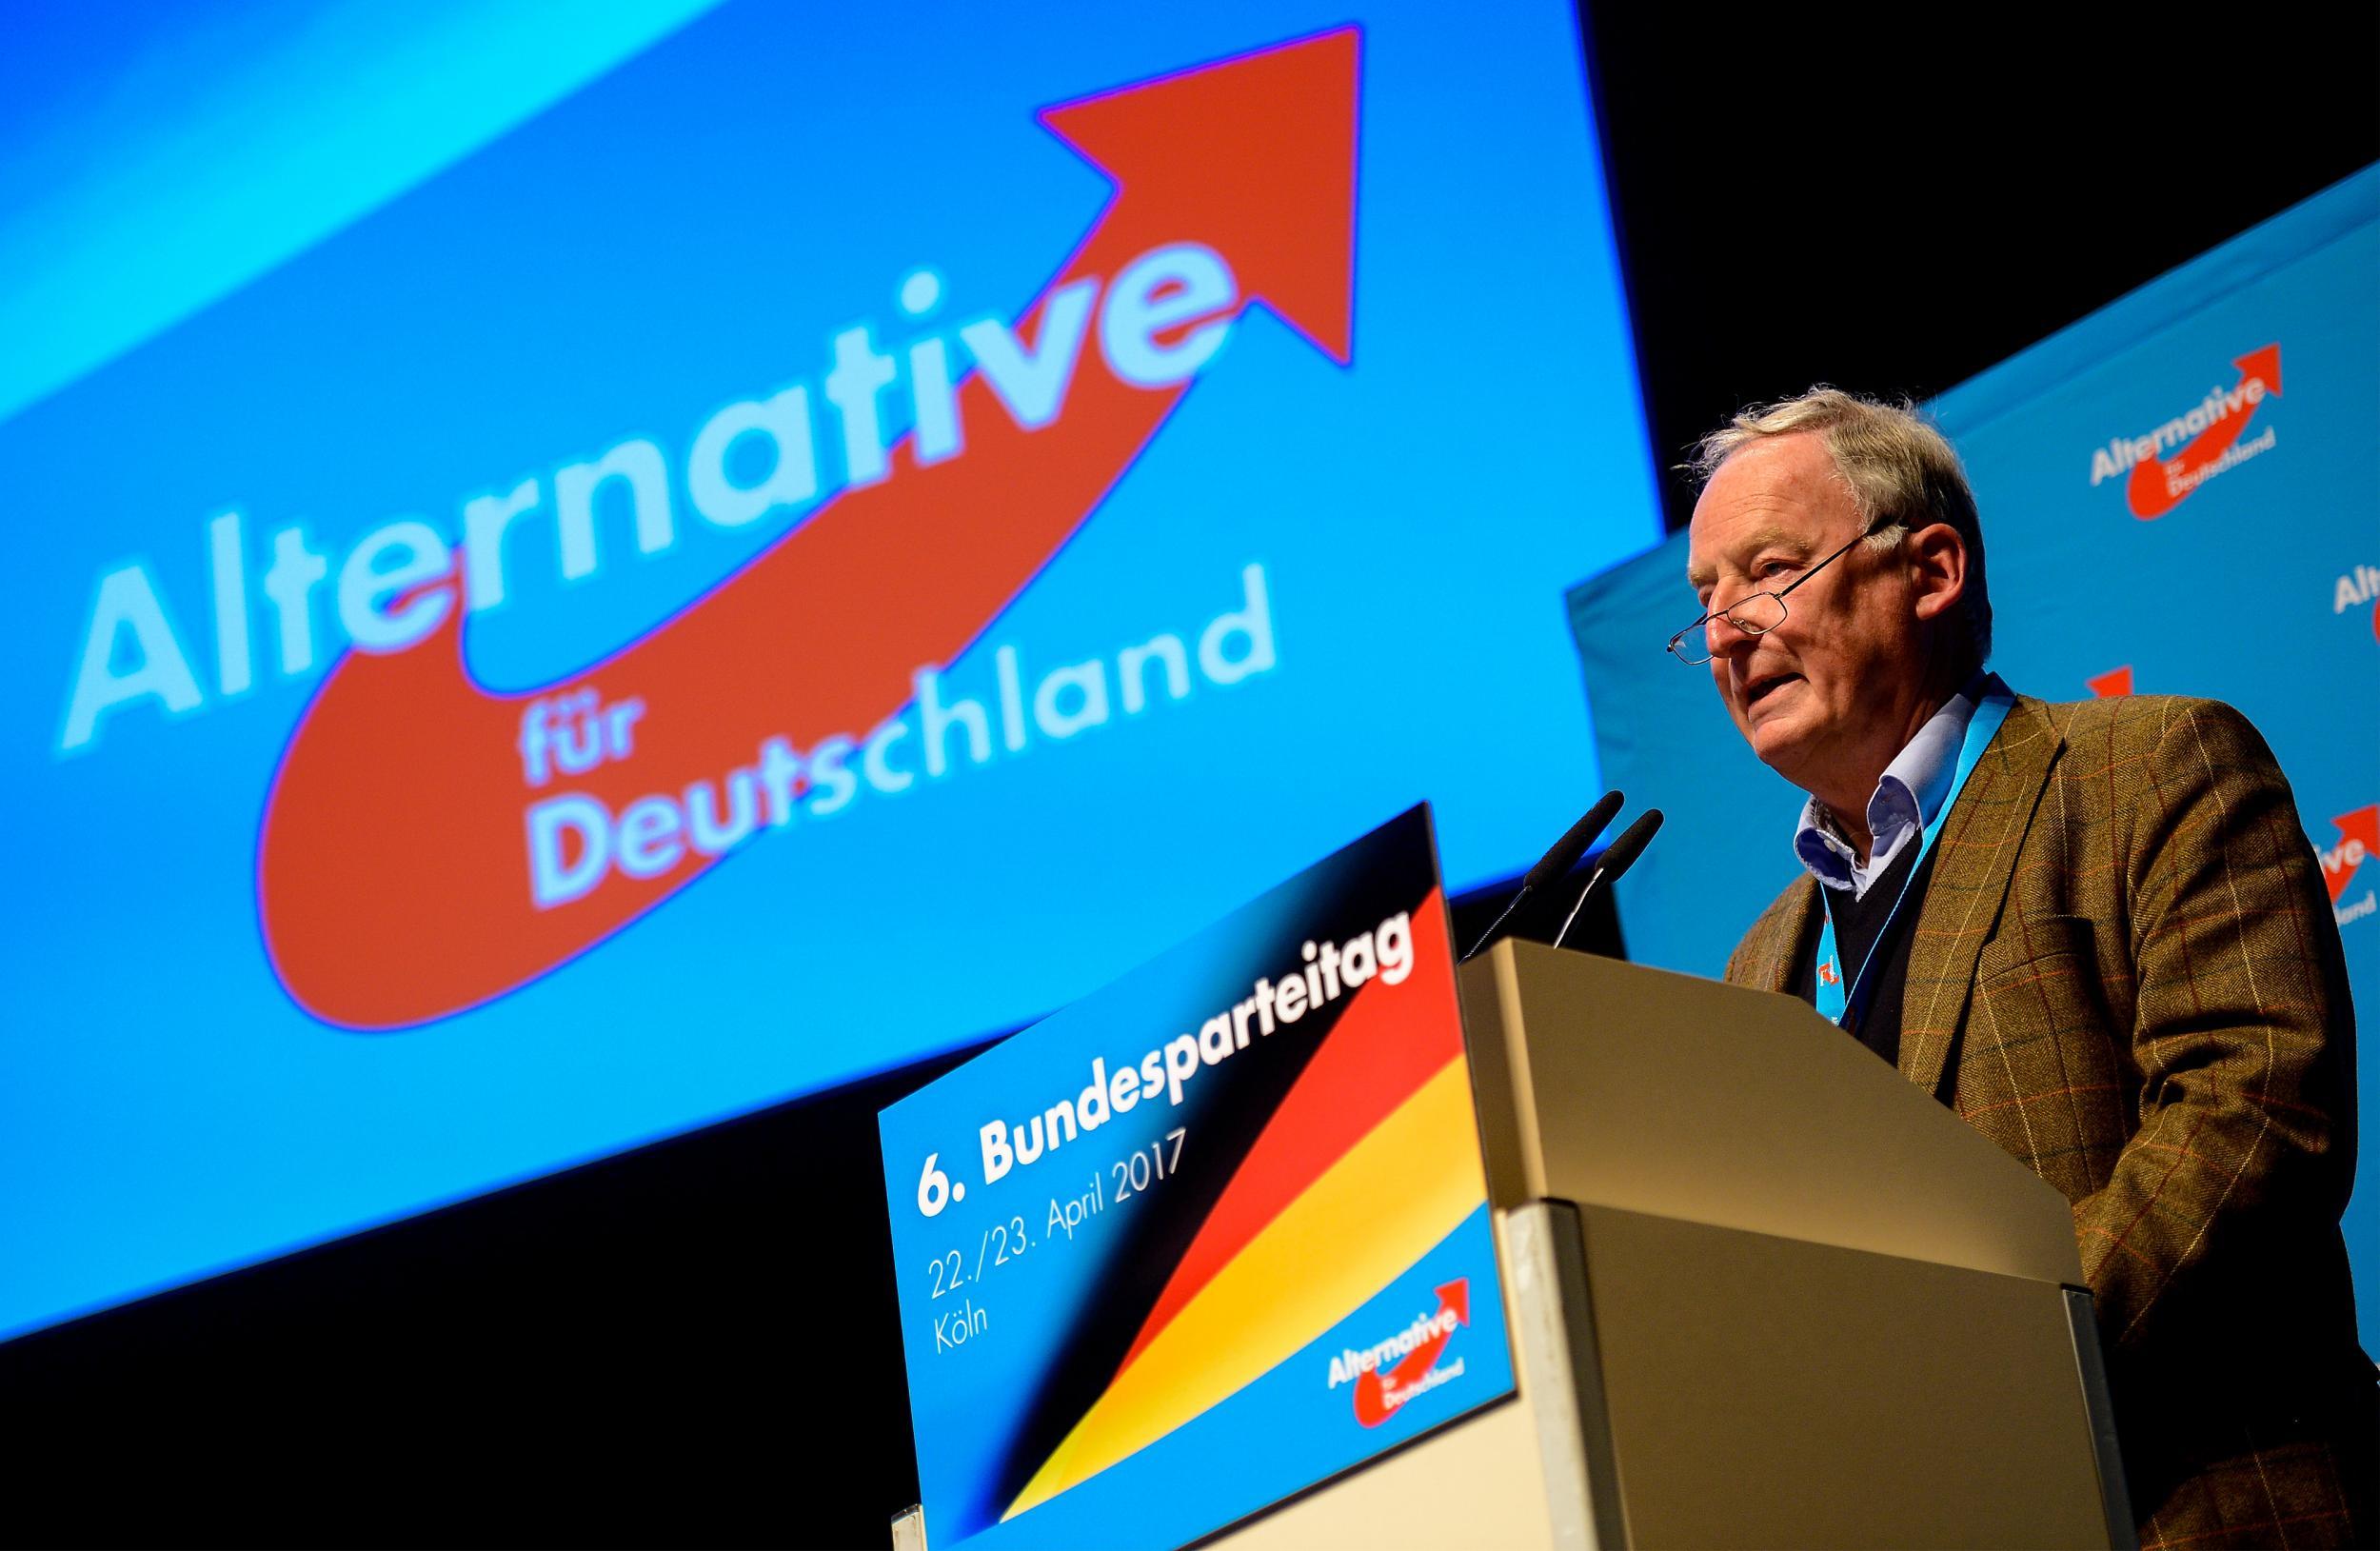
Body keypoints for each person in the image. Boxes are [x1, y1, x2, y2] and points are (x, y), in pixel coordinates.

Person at [1681, 388, 2371, 1548]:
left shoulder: (2147, 773)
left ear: (1932, 570)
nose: (1726, 631)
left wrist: (1980, 1381)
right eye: (1704, 601)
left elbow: (2252, 1119)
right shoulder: (1759, 964)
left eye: (1769, 572)